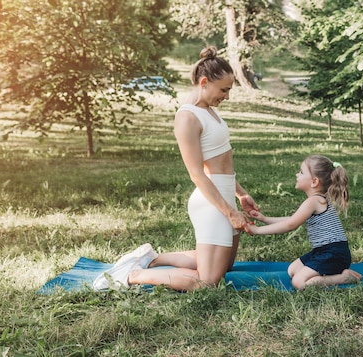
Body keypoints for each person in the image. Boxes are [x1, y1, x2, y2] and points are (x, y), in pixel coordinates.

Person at [93, 46, 258, 292]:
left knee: (226, 267)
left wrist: (241, 195)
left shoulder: (208, 111)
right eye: (224, 90)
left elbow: (221, 162)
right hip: (210, 203)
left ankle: (152, 259)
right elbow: (196, 173)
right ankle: (133, 274)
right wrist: (228, 212)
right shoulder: (187, 117)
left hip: (223, 197)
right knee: (207, 282)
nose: (227, 96)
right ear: (204, 82)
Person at [247, 155, 362, 290]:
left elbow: (291, 225)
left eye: (301, 172)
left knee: (298, 282)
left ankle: (343, 278)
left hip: (334, 254)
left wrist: (257, 230)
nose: (297, 174)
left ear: (314, 181)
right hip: (325, 251)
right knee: (292, 270)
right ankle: (333, 271)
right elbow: (292, 219)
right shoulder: (318, 200)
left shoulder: (314, 201)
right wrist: (264, 219)